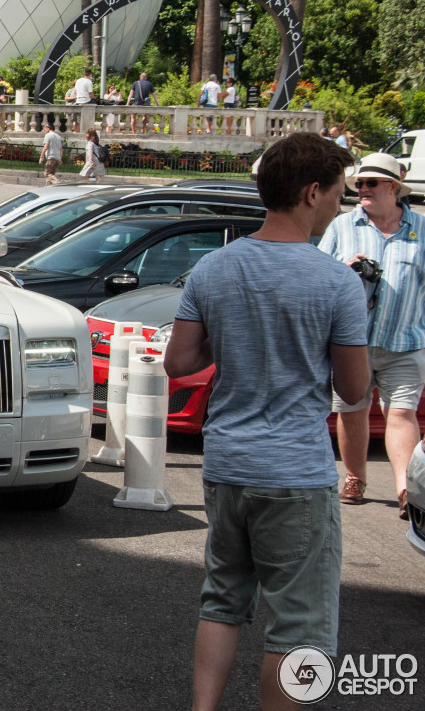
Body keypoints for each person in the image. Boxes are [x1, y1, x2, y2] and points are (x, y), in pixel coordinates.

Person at [164, 132, 367, 711]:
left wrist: (234, 342)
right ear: (310, 192)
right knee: (299, 624)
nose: (340, 204)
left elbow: (178, 362)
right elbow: (353, 391)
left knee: (223, 599)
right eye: (337, 192)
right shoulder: (337, 282)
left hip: (227, 463)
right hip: (296, 473)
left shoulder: (213, 268)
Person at [318, 152, 425, 520]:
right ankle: (354, 478)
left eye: (371, 183)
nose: (362, 189)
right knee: (352, 412)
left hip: (405, 340)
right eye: (359, 183)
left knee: (401, 414)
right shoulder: (342, 227)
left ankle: (405, 490)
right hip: (353, 343)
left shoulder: (421, 229)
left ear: (393, 188)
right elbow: (319, 276)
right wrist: (345, 271)